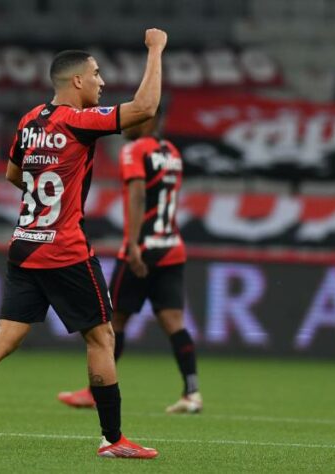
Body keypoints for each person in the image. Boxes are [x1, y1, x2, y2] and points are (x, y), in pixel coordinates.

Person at [0, 29, 168, 459]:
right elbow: (146, 107)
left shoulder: (28, 121)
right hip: (65, 249)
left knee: (4, 336)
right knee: (101, 339)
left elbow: (12, 176)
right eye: (96, 74)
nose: (100, 82)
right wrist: (155, 50)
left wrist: (46, 182)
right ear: (76, 82)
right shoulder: (80, 122)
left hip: (24, 244)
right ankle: (113, 440)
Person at [57, 110, 202, 414]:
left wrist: (134, 244)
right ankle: (192, 392)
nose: (127, 123)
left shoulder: (134, 150)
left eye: (136, 118)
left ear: (150, 121)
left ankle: (95, 392)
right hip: (172, 247)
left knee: (113, 322)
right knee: (174, 323)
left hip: (142, 249)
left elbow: (137, 194)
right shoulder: (172, 152)